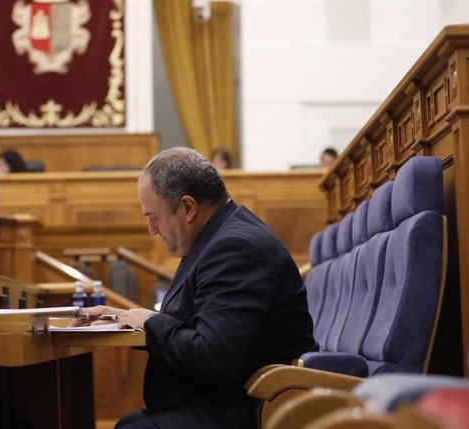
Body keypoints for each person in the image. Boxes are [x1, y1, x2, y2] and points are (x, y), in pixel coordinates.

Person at [73, 147, 317, 429]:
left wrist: (151, 322)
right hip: (223, 398)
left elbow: (212, 356)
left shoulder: (235, 248)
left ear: (188, 208)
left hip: (249, 407)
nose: (152, 229)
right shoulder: (218, 237)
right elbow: (194, 324)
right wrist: (125, 319)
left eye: (154, 217)